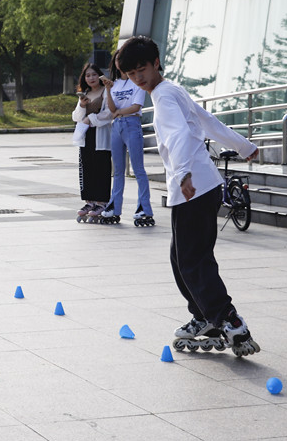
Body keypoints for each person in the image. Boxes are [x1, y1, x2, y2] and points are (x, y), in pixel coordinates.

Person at [116, 36, 260, 357]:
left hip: (192, 185)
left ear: (156, 64)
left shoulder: (165, 98)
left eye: (142, 69)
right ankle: (205, 317)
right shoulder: (173, 90)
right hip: (203, 185)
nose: (138, 78)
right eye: (130, 73)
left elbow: (179, 135)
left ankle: (228, 320)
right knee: (181, 257)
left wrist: (182, 175)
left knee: (193, 260)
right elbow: (207, 121)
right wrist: (243, 145)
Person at [99, 51, 154, 227]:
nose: (118, 62)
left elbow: (136, 107)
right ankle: (114, 206)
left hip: (131, 124)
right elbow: (112, 107)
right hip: (117, 126)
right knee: (118, 170)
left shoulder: (136, 82)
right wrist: (107, 89)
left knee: (138, 169)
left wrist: (119, 112)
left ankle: (144, 207)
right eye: (116, 59)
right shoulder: (115, 85)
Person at [72, 62, 113, 222]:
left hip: (101, 136)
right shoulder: (85, 93)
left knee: (101, 168)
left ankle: (102, 202)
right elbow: (76, 117)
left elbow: (109, 113)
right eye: (88, 75)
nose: (91, 78)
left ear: (100, 75)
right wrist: (82, 107)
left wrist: (92, 118)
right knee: (87, 168)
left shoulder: (106, 92)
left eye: (94, 74)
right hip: (85, 137)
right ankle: (89, 202)